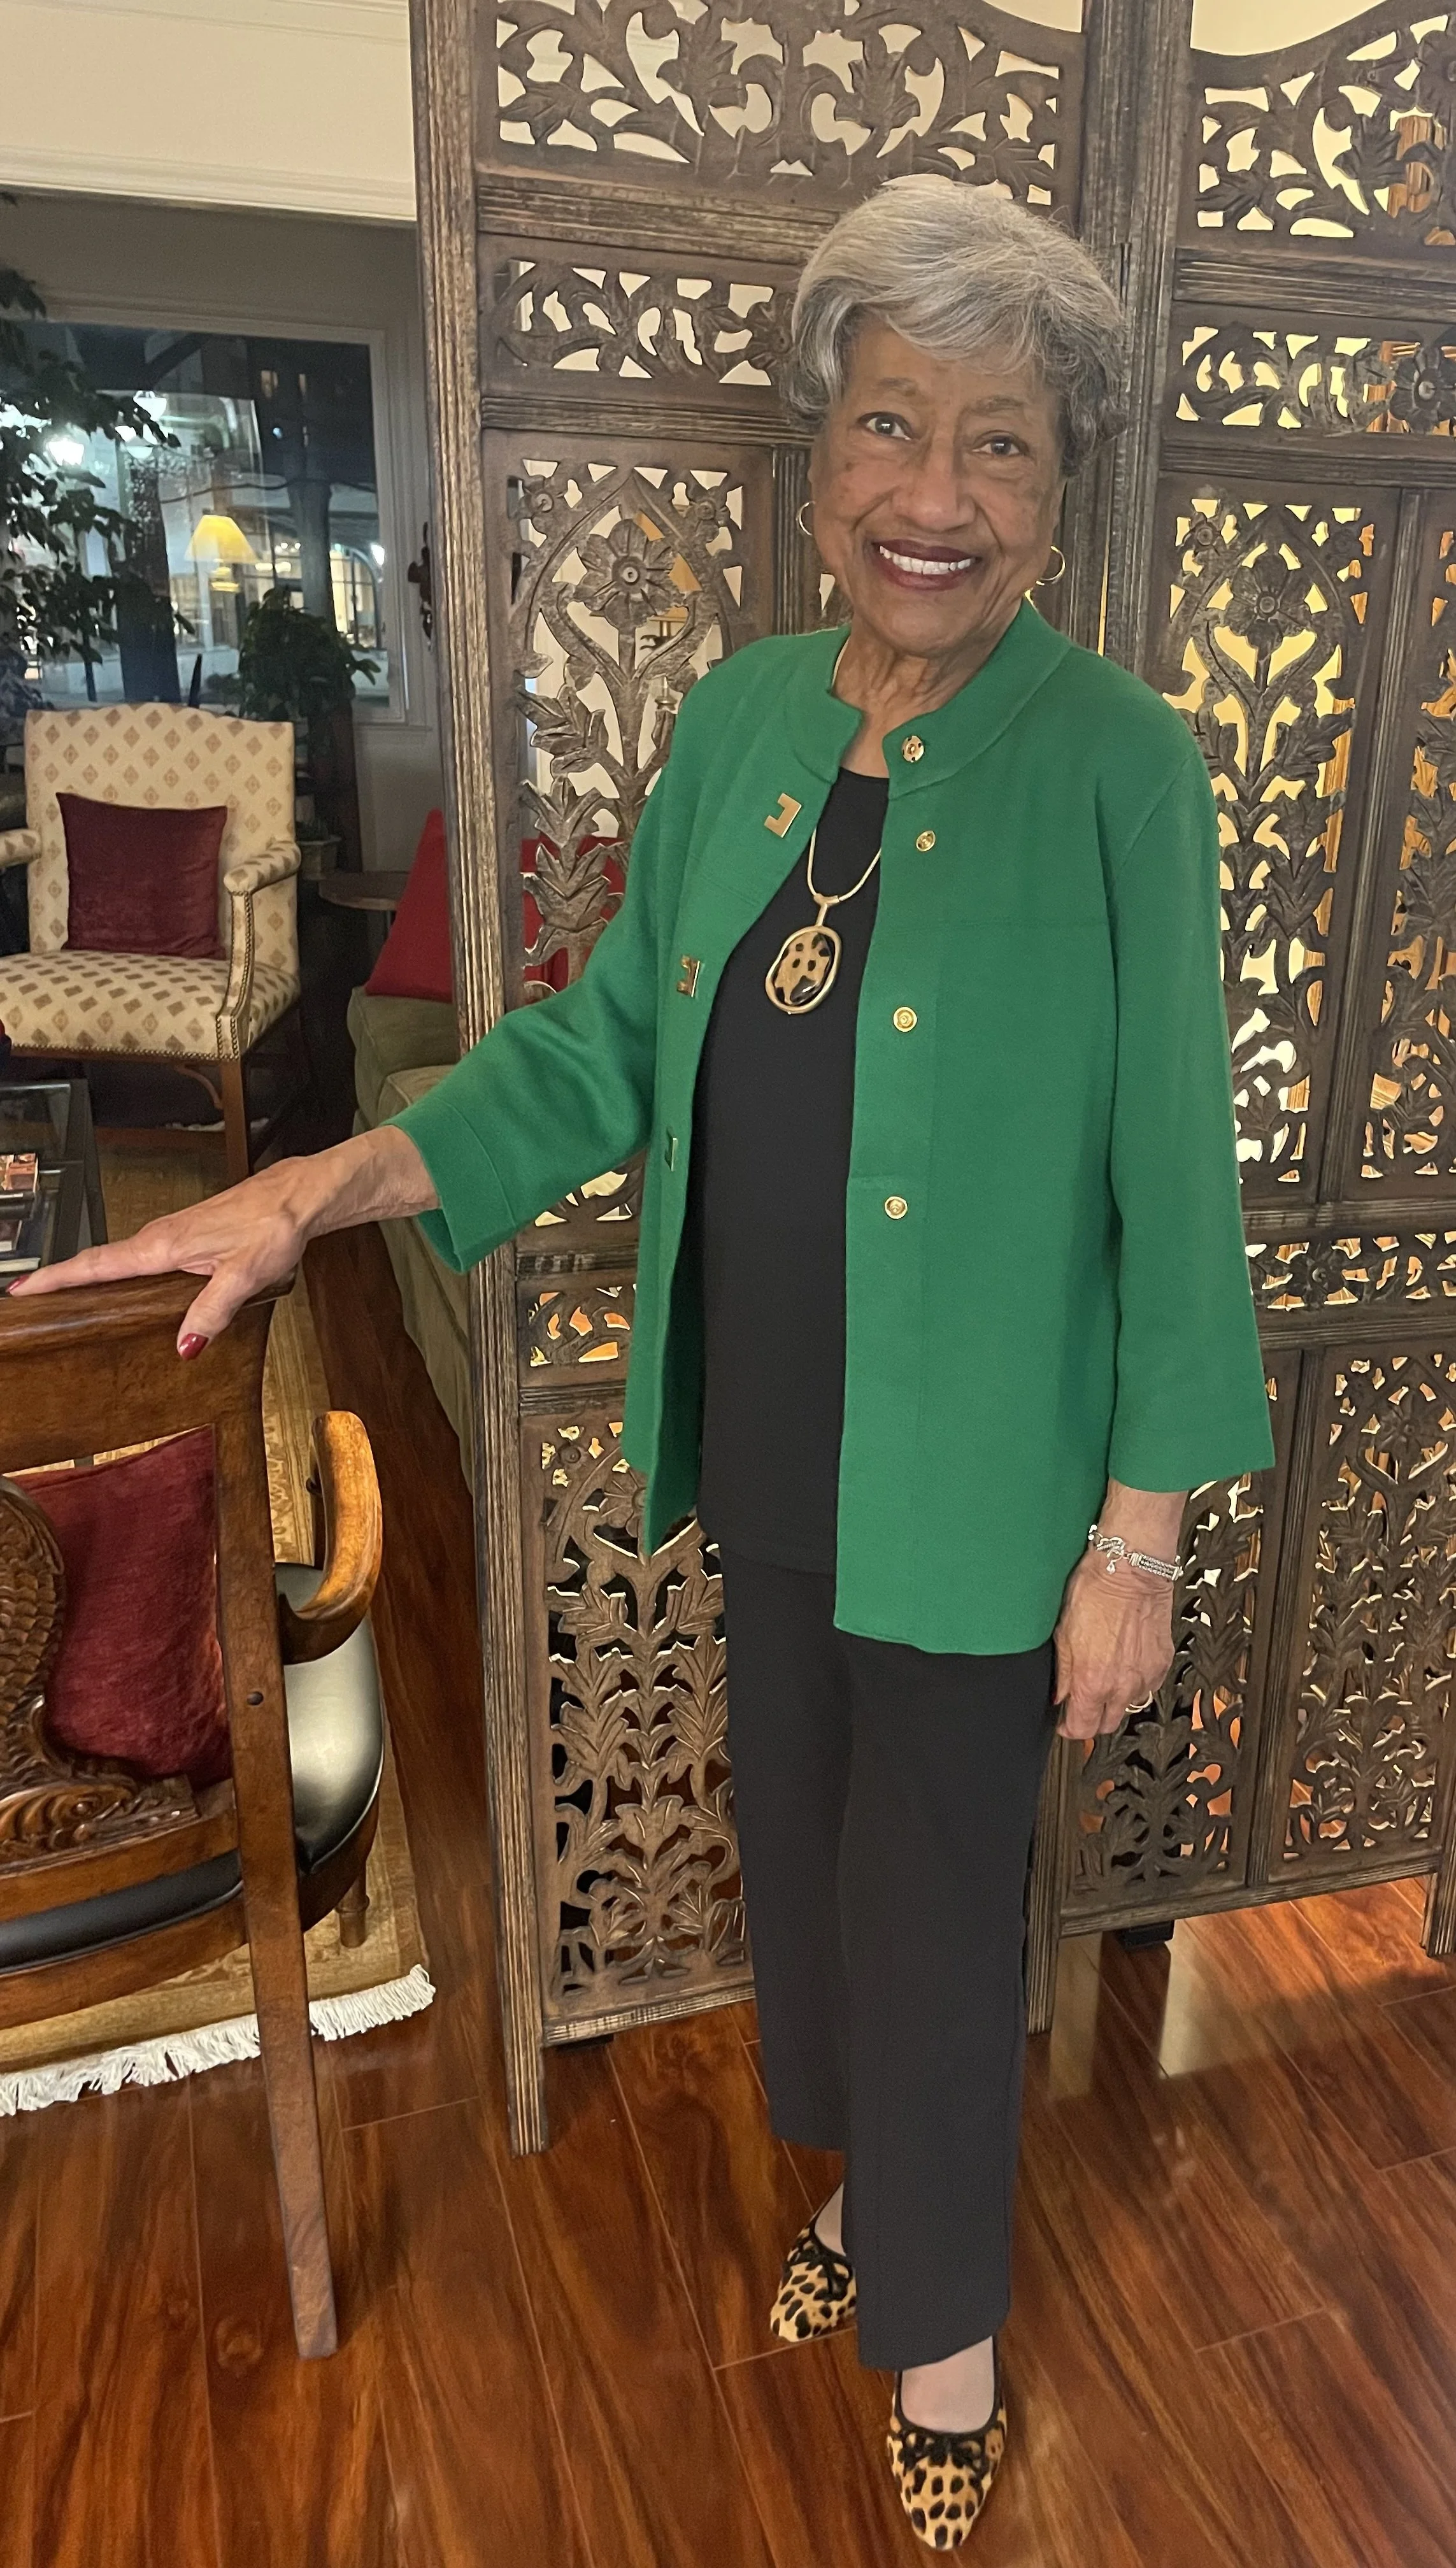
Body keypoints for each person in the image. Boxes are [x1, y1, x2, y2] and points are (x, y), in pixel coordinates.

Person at [16, 176, 1273, 2547]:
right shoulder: (738, 727)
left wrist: (1138, 1538)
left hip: (992, 1478)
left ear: (1055, 489)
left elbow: (1171, 1187)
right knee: (798, 1878)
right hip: (772, 1439)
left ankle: (945, 2335)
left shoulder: (1124, 766)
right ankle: (860, 2207)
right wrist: (302, 1191)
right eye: (891, 427)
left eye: (998, 445)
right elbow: (590, 1057)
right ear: (815, 467)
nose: (935, 493)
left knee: (926, 1905)